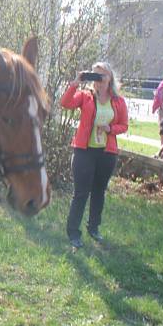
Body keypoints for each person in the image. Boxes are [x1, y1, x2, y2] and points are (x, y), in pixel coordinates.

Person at [60, 62, 128, 248]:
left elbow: (124, 125)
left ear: (110, 77)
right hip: (84, 152)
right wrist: (75, 82)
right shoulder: (85, 96)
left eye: (101, 75)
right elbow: (65, 103)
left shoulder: (118, 101)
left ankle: (93, 228)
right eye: (94, 75)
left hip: (107, 153)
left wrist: (110, 128)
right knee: (81, 193)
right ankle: (73, 233)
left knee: (99, 192)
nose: (98, 79)